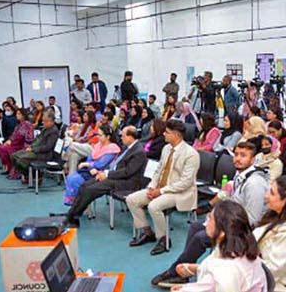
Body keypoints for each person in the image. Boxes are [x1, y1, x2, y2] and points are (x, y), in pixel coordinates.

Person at [152, 141, 269, 287]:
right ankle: (184, 270)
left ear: (252, 160)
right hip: (232, 222)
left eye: (243, 156)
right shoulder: (241, 175)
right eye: (237, 154)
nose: (238, 158)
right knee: (196, 226)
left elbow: (252, 219)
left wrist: (222, 224)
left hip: (244, 231)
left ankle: (176, 271)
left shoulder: (254, 184)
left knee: (201, 237)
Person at [127, 120, 199, 256]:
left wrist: (160, 191)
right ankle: (148, 232)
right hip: (160, 187)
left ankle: (163, 238)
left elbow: (186, 183)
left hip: (179, 192)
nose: (164, 134)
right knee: (131, 199)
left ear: (176, 135)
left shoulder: (191, 154)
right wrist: (152, 187)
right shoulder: (166, 148)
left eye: (167, 132)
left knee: (153, 206)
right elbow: (158, 170)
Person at [168, 201, 267, 292]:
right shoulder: (240, 246)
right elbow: (213, 278)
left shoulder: (227, 271)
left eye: (210, 218)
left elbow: (220, 277)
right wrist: (193, 271)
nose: (205, 222)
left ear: (222, 232)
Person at [57, 126, 147, 226]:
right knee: (84, 186)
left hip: (126, 182)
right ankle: (71, 214)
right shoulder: (129, 147)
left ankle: (73, 217)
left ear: (131, 137)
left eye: (124, 136)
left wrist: (107, 174)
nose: (121, 137)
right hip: (115, 176)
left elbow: (127, 172)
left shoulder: (138, 152)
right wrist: (105, 173)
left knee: (90, 190)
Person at [62, 125, 120, 205]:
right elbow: (90, 157)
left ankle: (78, 204)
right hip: (91, 170)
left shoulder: (112, 148)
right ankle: (76, 204)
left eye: (100, 135)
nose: (98, 137)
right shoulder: (98, 145)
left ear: (108, 137)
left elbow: (101, 164)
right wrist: (89, 165)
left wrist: (88, 164)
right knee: (70, 177)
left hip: (101, 173)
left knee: (75, 180)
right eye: (98, 134)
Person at [11, 113, 60, 184]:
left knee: (21, 160)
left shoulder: (53, 131)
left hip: (44, 154)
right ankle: (29, 175)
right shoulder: (45, 129)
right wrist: (31, 146)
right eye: (43, 121)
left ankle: (35, 176)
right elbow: (37, 139)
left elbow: (48, 147)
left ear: (51, 121)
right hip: (35, 150)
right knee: (14, 156)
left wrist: (33, 149)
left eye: (45, 121)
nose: (43, 123)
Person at [0, 109, 35, 175]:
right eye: (16, 114)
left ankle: (11, 169)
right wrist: (9, 140)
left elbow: (26, 137)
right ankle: (8, 167)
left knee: (4, 148)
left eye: (19, 114)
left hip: (23, 144)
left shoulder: (27, 124)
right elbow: (14, 135)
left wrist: (12, 141)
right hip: (15, 143)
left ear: (23, 115)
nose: (17, 115)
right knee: (1, 148)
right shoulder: (18, 124)